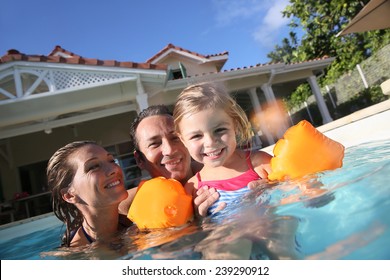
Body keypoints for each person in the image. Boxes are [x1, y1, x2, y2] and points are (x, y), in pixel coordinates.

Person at [173, 82, 272, 215]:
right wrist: (202, 221)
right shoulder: (194, 188)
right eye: (196, 136)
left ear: (235, 126)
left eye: (219, 130)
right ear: (183, 140)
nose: (210, 142)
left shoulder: (260, 164)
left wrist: (276, 189)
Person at [118, 105, 222, 217]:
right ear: (139, 159)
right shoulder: (130, 207)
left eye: (175, 138)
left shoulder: (223, 174)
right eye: (154, 144)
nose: (170, 150)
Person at [47, 140, 129, 247]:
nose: (113, 169)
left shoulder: (132, 205)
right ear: (70, 195)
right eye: (94, 167)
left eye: (112, 160)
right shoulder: (77, 257)